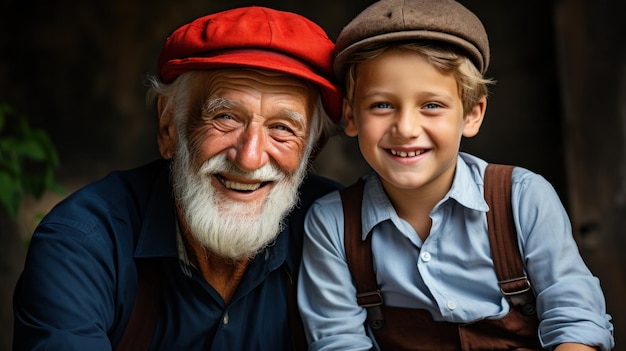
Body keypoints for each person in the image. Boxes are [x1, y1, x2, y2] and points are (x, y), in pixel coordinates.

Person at [13, 6, 343, 350]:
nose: (249, 158)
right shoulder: (82, 244)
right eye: (225, 117)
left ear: (311, 151)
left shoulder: (345, 237)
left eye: (282, 128)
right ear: (170, 126)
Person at [297, 0, 615, 350]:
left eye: (431, 105)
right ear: (351, 117)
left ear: (472, 114)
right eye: (381, 105)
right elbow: (338, 341)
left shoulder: (523, 198)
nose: (405, 128)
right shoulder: (331, 224)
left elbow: (575, 319)